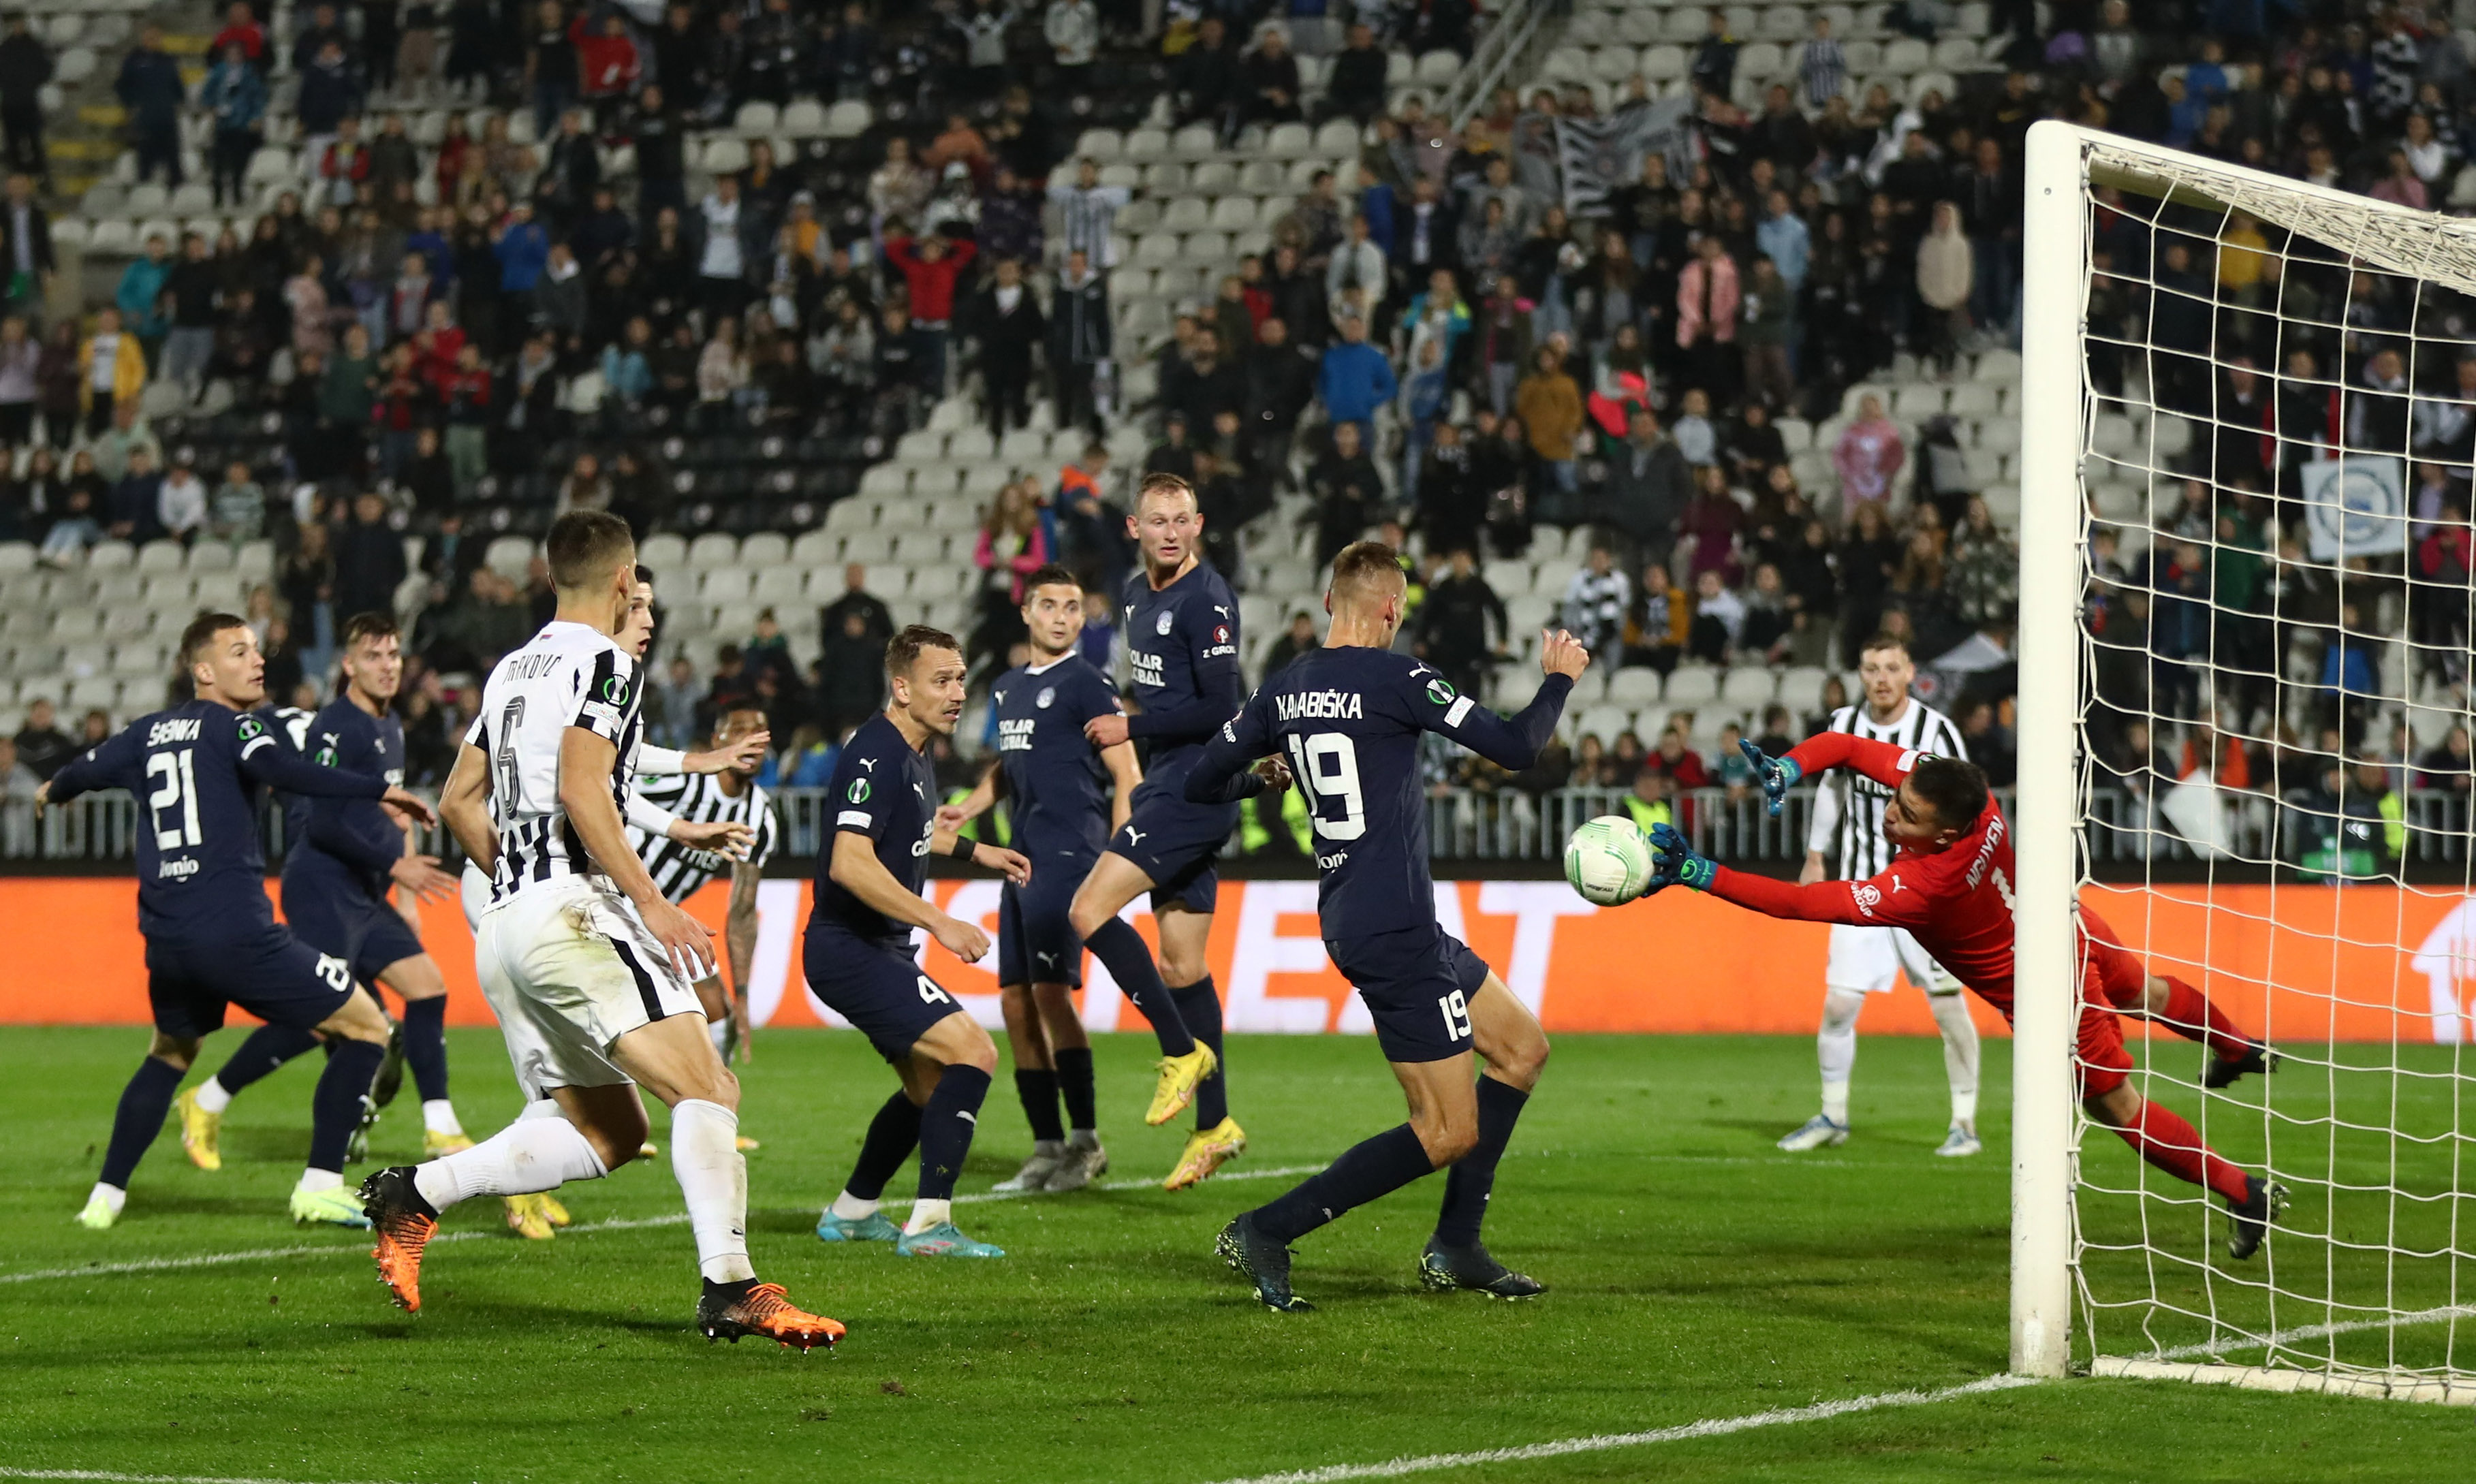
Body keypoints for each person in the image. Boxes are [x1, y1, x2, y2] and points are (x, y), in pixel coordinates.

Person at [362, 511, 841, 1347]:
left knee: (610, 1131)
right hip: (573, 910)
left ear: (551, 578)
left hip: (509, 926)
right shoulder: (607, 662)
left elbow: (455, 801)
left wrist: (514, 881)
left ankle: (417, 1193)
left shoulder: (513, 667)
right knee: (709, 1087)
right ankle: (731, 1287)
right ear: (625, 581)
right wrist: (650, 903)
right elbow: (586, 791)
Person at [1650, 737, 2286, 1260]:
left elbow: (1799, 903)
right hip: (2070, 924)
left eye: (1907, 815)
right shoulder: (1970, 802)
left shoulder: (1919, 885)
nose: (1891, 813)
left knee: (2116, 1105)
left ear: (1945, 833)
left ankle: (2243, 1190)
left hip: (2051, 988)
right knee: (2145, 991)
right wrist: (1793, 764)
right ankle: (2237, 1046)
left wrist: (1699, 873)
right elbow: (1847, 747)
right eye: (1897, 798)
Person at [1187, 541, 1588, 1310]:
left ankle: (1458, 1245)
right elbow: (1514, 746)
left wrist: (1261, 777)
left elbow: (1204, 778)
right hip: (1394, 930)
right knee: (1445, 1130)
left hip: (1369, 915)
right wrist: (1558, 681)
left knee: (1520, 1049)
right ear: (1388, 608)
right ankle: (1267, 1227)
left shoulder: (1285, 685)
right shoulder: (1401, 677)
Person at [40, 613, 436, 1230]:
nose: (256, 661)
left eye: (256, 650)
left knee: (169, 1054)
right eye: (238, 652)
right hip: (235, 931)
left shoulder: (145, 732)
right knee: (366, 1027)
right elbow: (285, 771)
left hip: (167, 938)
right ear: (203, 670)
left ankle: (105, 1198)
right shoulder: (236, 726)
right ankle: (319, 1186)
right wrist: (378, 790)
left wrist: (51, 791)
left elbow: (83, 772)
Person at [174, 614, 471, 1184]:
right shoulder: (337, 725)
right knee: (323, 1016)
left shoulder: (390, 726)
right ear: (349, 665)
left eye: (393, 656)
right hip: (324, 887)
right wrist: (398, 866)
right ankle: (208, 1099)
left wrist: (397, 880)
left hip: (362, 889)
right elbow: (325, 825)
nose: (387, 667)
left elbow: (381, 808)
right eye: (374, 657)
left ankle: (440, 1126)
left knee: (428, 988)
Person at [806, 625, 1031, 1258]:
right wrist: (939, 920)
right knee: (974, 1052)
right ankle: (930, 1224)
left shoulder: (914, 749)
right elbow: (850, 862)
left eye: (960, 679)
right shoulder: (875, 753)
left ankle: (851, 1212)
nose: (957, 692)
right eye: (942, 680)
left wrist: (978, 850)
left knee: (929, 1086)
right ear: (901, 687)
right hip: (850, 947)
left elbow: (911, 829)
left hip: (875, 948)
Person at [1064, 475, 1251, 1188]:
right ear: (1133, 528)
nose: (1170, 532)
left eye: (1181, 520)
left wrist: (1130, 727)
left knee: (1086, 909)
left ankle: (1180, 1050)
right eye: (1156, 521)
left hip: (1190, 789)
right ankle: (1215, 1124)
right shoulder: (1139, 593)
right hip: (1175, 782)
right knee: (1182, 967)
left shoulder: (1206, 600)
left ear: (1197, 524)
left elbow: (1219, 708)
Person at [942, 568, 1143, 1194]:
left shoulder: (1087, 682)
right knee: (1014, 1001)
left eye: (1073, 607)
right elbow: (1010, 764)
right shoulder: (1006, 689)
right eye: (1050, 605)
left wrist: (1119, 851)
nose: (1062, 616)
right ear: (1027, 614)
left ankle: (1084, 1142)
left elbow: (1126, 767)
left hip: (1069, 852)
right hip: (1019, 855)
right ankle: (1046, 1144)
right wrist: (969, 808)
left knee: (1052, 995)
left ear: (1082, 620)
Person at [1777, 633, 1983, 1156]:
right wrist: (1815, 855)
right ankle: (1832, 1114)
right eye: (1871, 668)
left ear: (1909, 671)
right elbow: (1831, 787)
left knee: (1946, 1006)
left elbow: (1970, 808)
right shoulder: (1843, 724)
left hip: (1925, 894)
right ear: (1861, 673)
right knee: (1839, 1005)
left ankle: (1963, 1123)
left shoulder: (1936, 732)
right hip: (1863, 887)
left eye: (1891, 667)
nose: (1881, 678)